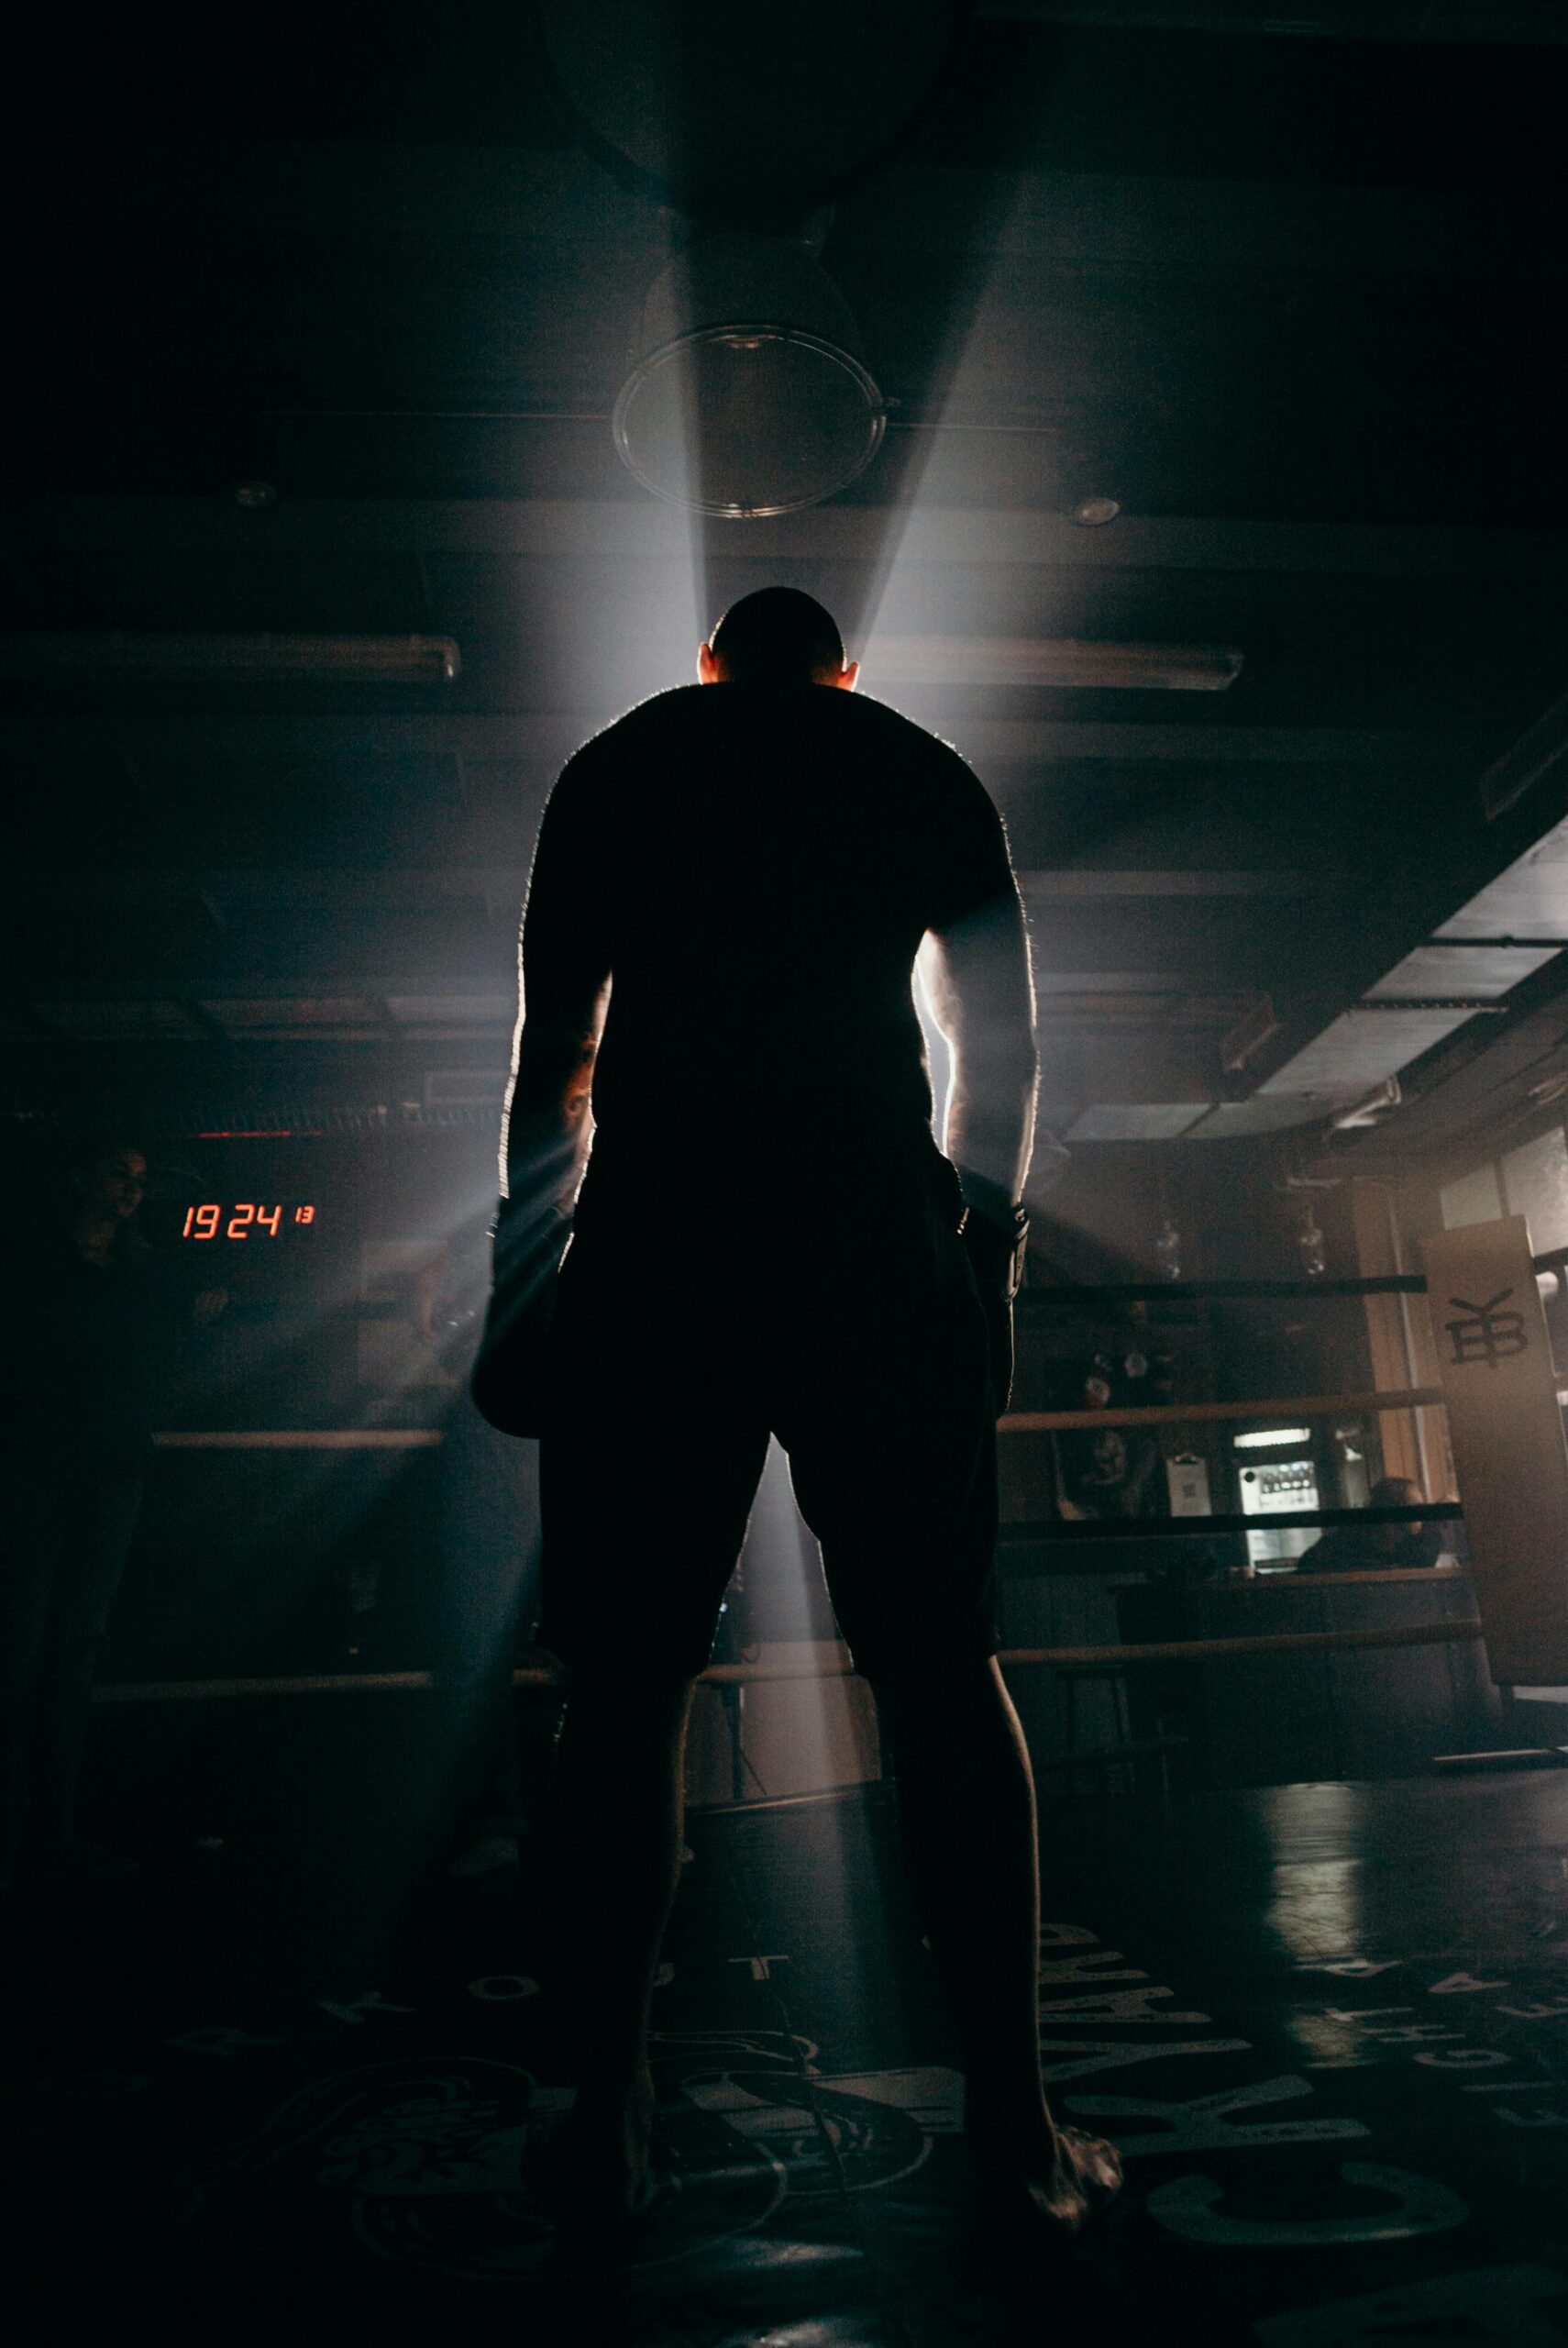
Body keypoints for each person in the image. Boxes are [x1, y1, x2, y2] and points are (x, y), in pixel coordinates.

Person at [476, 585, 1122, 2259]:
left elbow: (556, 1057)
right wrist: (982, 1256)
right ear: (844, 666)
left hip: (661, 1236)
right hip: (863, 1230)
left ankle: (604, 2122)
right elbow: (1005, 1047)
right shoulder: (915, 765)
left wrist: (517, 1293)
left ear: (709, 663)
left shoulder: (621, 767)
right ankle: (1015, 2124)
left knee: (624, 1693)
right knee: (940, 1672)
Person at [0, 1135, 222, 1892]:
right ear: (80, 1176)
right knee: (29, 1652)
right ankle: (30, 1840)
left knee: (66, 1654)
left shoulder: (135, 1271)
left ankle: (44, 1839)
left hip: (102, 1473)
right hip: (41, 1472)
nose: (132, 1187)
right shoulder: (36, 1264)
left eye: (138, 1176)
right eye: (119, 1173)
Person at [1295, 1474, 1445, 1574]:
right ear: (1396, 1513)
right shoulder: (1350, 1544)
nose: (1422, 1516)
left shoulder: (1395, 1545)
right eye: (1417, 1508)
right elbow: (1418, 1565)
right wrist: (1438, 1517)